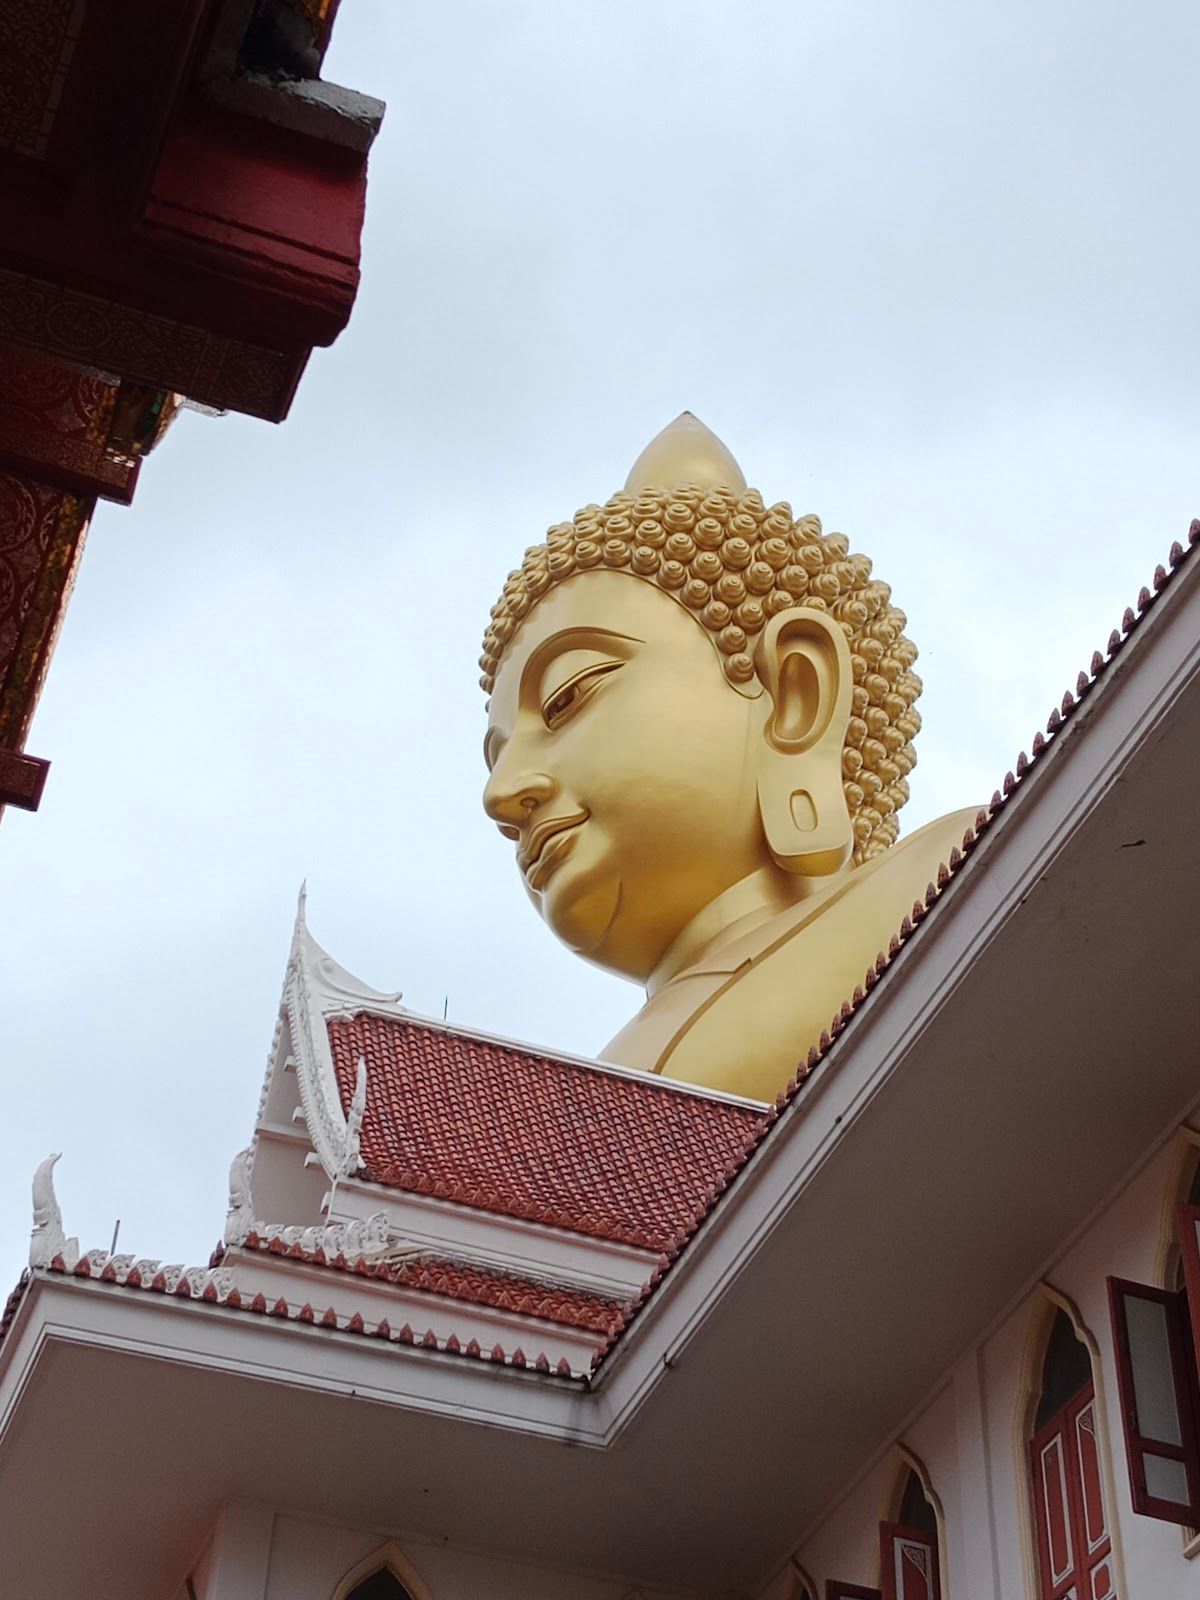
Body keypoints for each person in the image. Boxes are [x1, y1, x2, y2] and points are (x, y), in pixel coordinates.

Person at [481, 414, 976, 1101]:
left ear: (795, 696)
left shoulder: (944, 896)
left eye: (566, 697)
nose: (502, 795)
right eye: (496, 756)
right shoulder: (606, 1072)